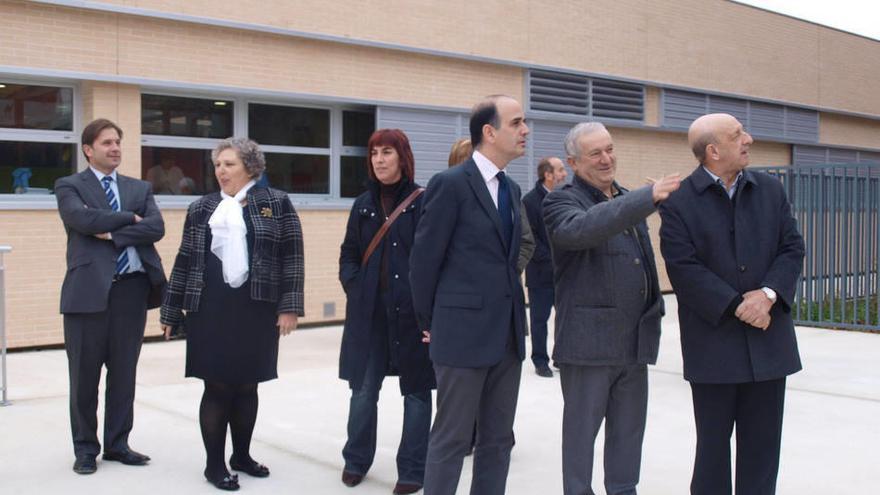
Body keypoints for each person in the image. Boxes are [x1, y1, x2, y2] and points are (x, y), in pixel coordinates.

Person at [658, 113, 805, 495]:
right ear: (713, 150)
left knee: (763, 452)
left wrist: (768, 294)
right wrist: (738, 305)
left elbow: (792, 248)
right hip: (713, 348)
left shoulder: (770, 190)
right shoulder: (678, 201)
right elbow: (683, 267)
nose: (748, 139)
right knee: (712, 452)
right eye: (737, 134)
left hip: (768, 345)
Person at [160, 137, 305, 491]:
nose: (221, 171)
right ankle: (214, 465)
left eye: (229, 164)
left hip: (257, 309)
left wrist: (289, 307)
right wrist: (170, 310)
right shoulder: (201, 207)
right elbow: (184, 260)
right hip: (209, 308)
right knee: (217, 386)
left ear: (250, 167)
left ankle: (241, 456)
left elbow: (292, 256)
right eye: (217, 165)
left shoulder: (277, 203)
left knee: (248, 384)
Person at [543, 123, 679, 495]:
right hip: (588, 346)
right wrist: (645, 199)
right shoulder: (561, 202)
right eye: (595, 153)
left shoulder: (627, 197)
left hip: (633, 342)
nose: (607, 159)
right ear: (573, 162)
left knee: (628, 436)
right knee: (580, 439)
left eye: (610, 149)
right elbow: (583, 229)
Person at [411, 95, 529, 495]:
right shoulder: (450, 185)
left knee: (498, 441)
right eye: (517, 123)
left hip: (507, 337)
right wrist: (432, 323)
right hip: (460, 336)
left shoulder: (512, 189)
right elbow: (423, 263)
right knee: (452, 439)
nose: (526, 130)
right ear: (489, 132)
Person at [55, 118, 167, 475]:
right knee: (84, 378)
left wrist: (114, 233)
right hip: (87, 294)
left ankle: (118, 444)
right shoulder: (69, 185)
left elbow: (156, 227)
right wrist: (130, 219)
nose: (115, 148)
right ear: (88, 149)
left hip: (132, 291)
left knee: (123, 375)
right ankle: (86, 449)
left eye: (117, 141)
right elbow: (81, 220)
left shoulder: (139, 187)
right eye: (107, 143)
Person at [338, 129, 435, 495]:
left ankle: (412, 468)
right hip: (370, 316)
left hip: (413, 316)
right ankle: (356, 460)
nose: (379, 160)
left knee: (417, 393)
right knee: (363, 392)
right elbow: (349, 253)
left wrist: (427, 305)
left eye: (387, 152)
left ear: (402, 157)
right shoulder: (362, 204)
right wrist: (355, 286)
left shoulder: (423, 201)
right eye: (374, 153)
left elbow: (435, 257)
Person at [521, 156, 567, 377]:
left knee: (565, 317)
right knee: (539, 320)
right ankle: (540, 360)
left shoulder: (564, 197)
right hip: (541, 273)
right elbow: (530, 238)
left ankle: (561, 357)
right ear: (548, 175)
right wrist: (552, 259)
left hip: (564, 272)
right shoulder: (530, 201)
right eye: (560, 170)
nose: (565, 174)